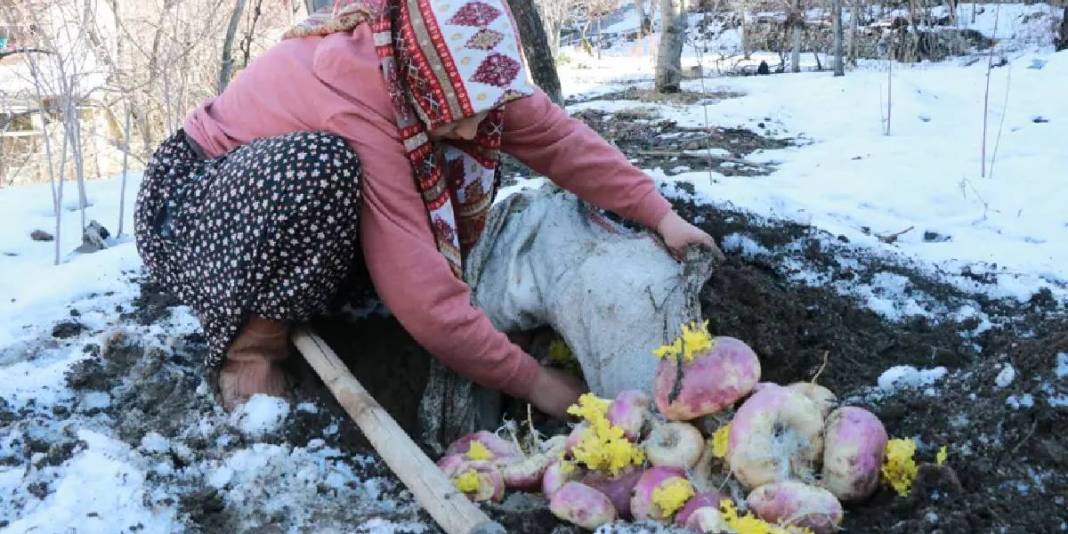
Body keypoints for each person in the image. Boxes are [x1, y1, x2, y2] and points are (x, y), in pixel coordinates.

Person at [134, 0, 721, 417]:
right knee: (322, 169)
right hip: (195, 212)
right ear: (418, 76)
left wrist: (660, 215)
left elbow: (560, 141)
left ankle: (323, 286)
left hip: (277, 214)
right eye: (457, 110)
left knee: (370, 187)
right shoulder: (358, 95)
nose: (474, 126)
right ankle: (251, 349)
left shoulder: (468, 61)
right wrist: (537, 383)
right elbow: (425, 300)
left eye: (483, 109)